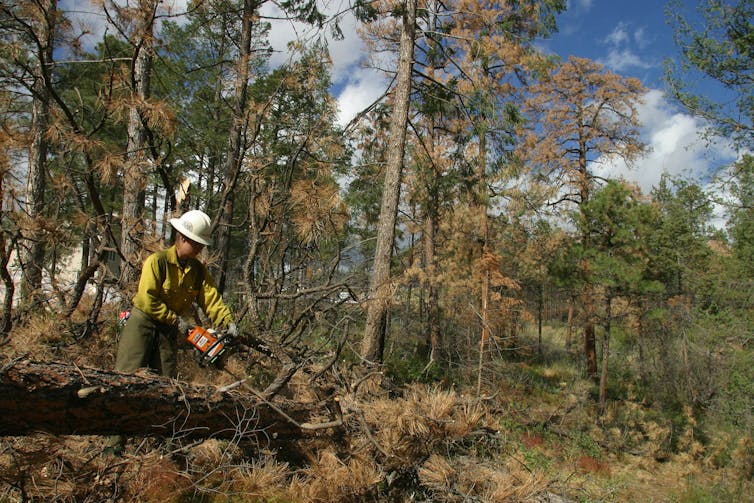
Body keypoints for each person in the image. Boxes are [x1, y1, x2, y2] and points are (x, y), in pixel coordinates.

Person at [104, 209, 237, 456]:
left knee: (167, 387)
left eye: (201, 245)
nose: (199, 250)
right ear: (183, 238)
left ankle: (164, 446)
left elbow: (211, 298)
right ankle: (113, 447)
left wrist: (227, 322)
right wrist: (176, 320)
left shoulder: (197, 271)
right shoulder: (158, 262)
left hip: (168, 329)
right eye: (196, 244)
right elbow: (146, 300)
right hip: (142, 323)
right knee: (125, 381)